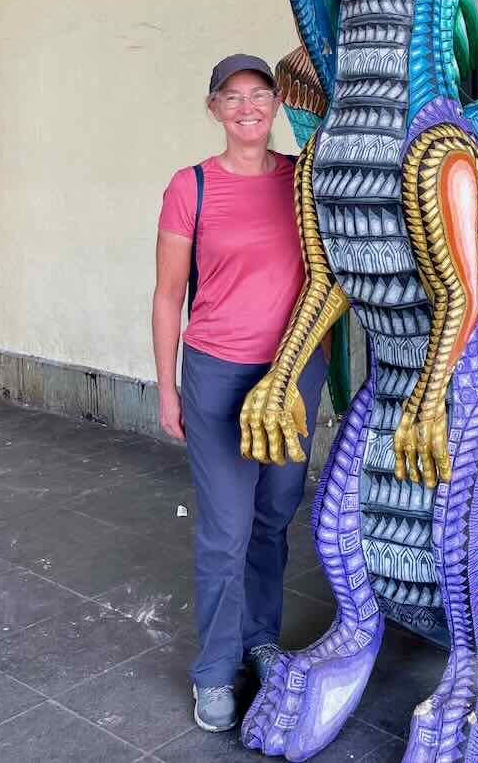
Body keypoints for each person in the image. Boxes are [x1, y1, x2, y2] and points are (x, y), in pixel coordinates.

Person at [152, 53, 326, 734]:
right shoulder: (190, 186)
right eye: (233, 96)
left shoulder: (301, 178)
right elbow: (169, 295)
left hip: (293, 373)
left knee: (275, 511)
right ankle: (216, 669)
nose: (248, 106)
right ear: (214, 107)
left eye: (260, 94)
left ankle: (261, 637)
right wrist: (166, 387)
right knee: (225, 529)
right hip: (218, 372)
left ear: (276, 104)